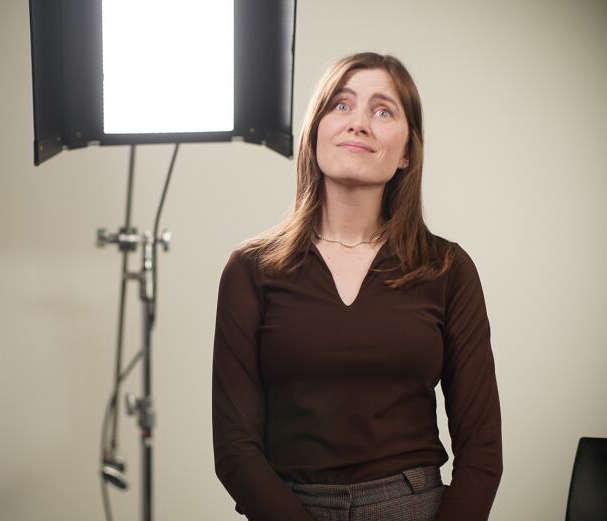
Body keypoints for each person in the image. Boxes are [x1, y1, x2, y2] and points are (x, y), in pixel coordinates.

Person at [211, 52, 502, 521]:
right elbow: (234, 450)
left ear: (407, 150)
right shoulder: (251, 269)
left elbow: (483, 451)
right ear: (316, 131)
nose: (359, 123)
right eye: (341, 105)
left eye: (383, 111)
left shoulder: (448, 268)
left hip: (413, 506)